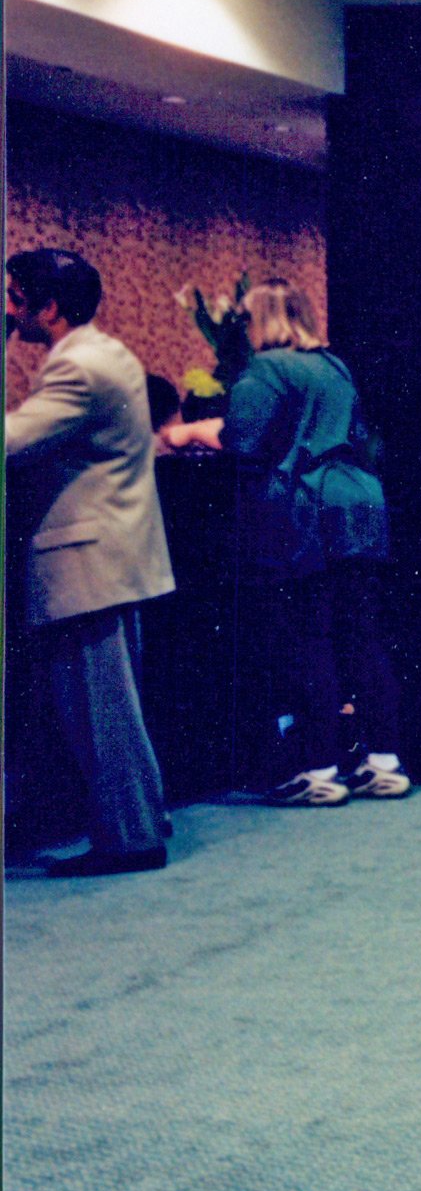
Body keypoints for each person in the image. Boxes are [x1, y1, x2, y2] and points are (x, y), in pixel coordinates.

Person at [158, 279, 409, 805]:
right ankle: (381, 761)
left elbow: (242, 440)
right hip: (359, 501)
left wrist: (187, 433)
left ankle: (317, 771)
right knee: (361, 635)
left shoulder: (266, 370)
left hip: (306, 510)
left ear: (257, 320)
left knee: (308, 638)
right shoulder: (333, 365)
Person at [5, 249, 175, 876]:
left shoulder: (75, 367)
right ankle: (142, 820)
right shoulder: (109, 352)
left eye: (15, 297)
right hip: (113, 555)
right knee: (115, 709)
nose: (9, 308)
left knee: (100, 715)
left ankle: (130, 840)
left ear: (48, 307)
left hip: (85, 560)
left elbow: (13, 443)